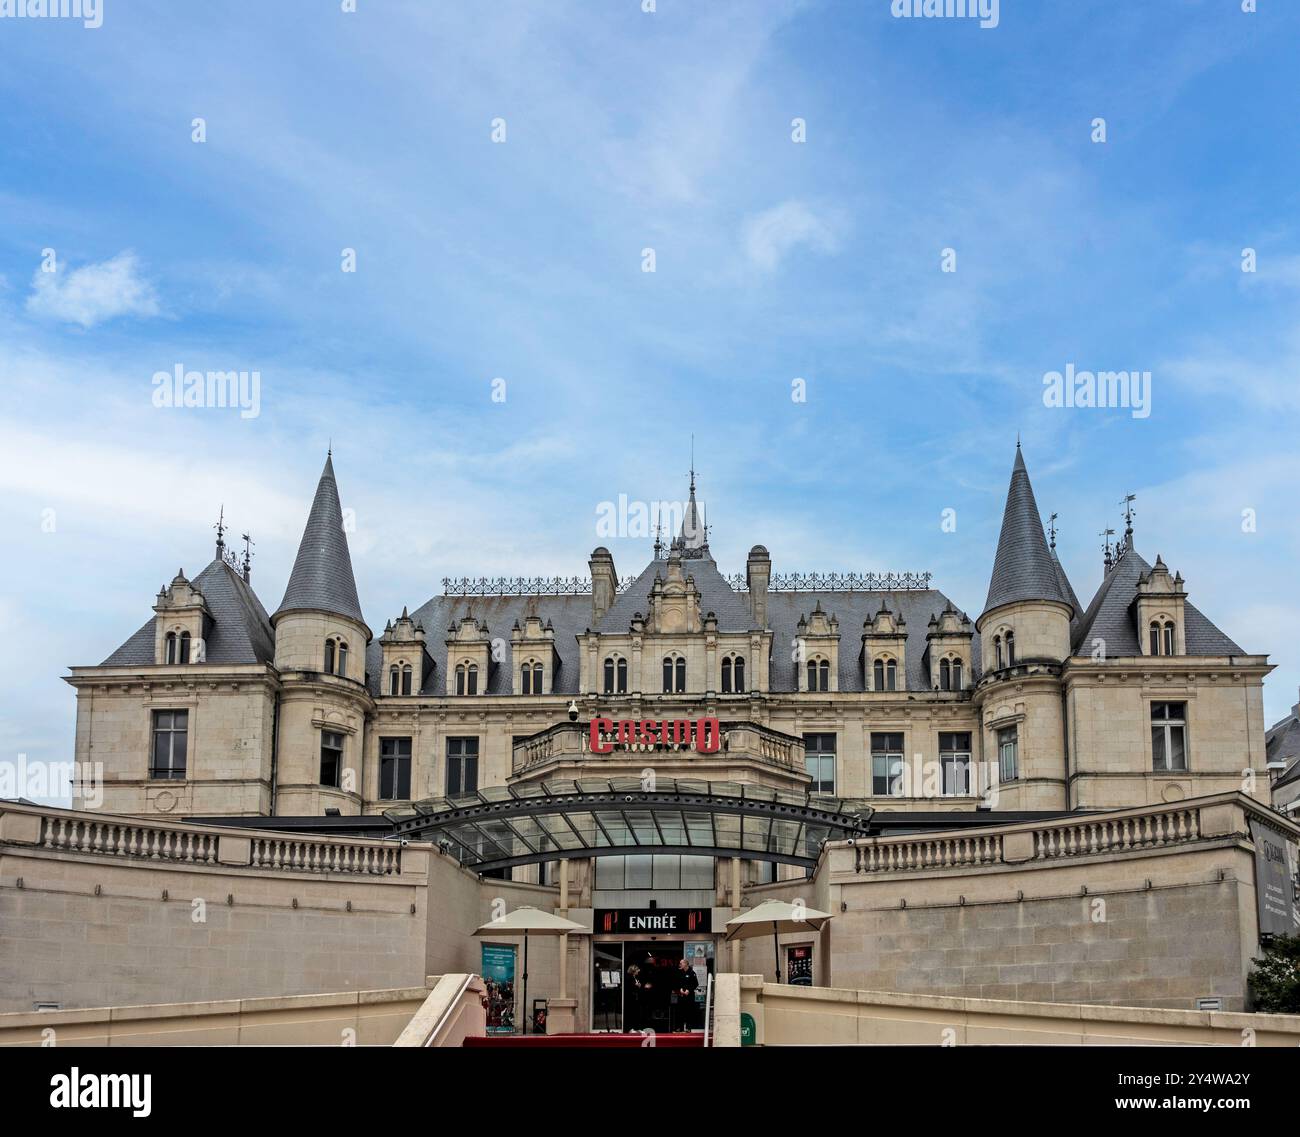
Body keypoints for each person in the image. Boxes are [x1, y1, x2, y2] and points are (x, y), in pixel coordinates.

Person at [673, 956, 699, 1031]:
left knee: (689, 1011)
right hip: (681, 995)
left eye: (681, 963)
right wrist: (680, 989)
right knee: (680, 1011)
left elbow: (695, 984)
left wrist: (689, 990)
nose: (680, 964)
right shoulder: (680, 972)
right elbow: (678, 983)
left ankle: (688, 1027)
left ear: (685, 964)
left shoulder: (692, 973)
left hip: (689, 996)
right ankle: (680, 1027)